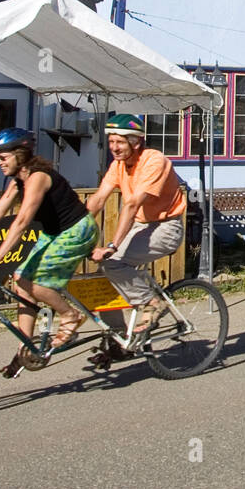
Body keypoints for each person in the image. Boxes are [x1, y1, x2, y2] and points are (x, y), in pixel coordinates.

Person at [0, 128, 98, 376]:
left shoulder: (38, 177)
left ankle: (70, 315)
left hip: (77, 231)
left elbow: (22, 220)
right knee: (21, 284)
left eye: (3, 157)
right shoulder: (19, 179)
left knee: (34, 283)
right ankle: (26, 347)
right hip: (54, 233)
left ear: (20, 154)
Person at [85, 114, 186, 356]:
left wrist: (112, 244)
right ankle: (120, 338)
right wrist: (72, 229)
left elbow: (131, 204)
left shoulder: (154, 161)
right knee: (106, 271)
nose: (114, 148)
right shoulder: (118, 165)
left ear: (136, 142)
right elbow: (99, 198)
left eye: (119, 142)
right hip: (142, 226)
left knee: (113, 262)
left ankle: (153, 303)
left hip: (166, 226)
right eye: (111, 142)